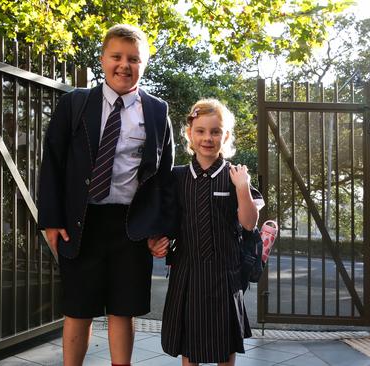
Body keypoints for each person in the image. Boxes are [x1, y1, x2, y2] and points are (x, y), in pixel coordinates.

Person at [38, 24, 176, 366]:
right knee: (78, 309)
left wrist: (161, 228)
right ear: (103, 59)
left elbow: (164, 178)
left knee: (122, 309)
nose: (124, 65)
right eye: (116, 56)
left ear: (144, 64)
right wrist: (51, 220)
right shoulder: (75, 104)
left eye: (134, 59)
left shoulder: (157, 111)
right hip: (81, 222)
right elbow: (53, 162)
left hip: (132, 225)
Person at [156, 99, 264, 365]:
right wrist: (158, 242)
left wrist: (242, 187)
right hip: (187, 273)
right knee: (189, 348)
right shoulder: (177, 177)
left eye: (215, 131)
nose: (208, 138)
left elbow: (249, 223)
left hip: (225, 273)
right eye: (201, 131)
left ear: (225, 136)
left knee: (225, 346)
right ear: (189, 134)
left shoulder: (236, 175)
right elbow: (168, 221)